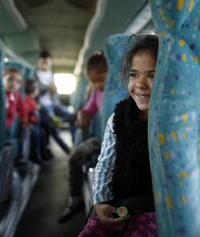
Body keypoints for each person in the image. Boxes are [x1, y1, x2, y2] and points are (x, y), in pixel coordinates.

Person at [79, 34, 158, 236]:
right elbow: (105, 163)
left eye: (152, 75)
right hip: (120, 205)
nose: (140, 83)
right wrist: (100, 201)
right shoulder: (117, 119)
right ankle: (74, 199)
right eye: (133, 74)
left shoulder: (177, 123)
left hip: (156, 209)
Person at [57, 51, 108, 223]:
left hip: (126, 142)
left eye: (101, 78)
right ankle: (75, 199)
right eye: (93, 81)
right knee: (74, 158)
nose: (97, 84)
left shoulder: (126, 87)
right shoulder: (96, 91)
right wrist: (82, 114)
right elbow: (88, 110)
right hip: (103, 141)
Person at [24, 79, 48, 162]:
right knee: (36, 134)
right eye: (37, 89)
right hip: (30, 123)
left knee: (43, 133)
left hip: (36, 123)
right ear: (32, 90)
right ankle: (35, 155)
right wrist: (34, 108)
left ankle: (43, 153)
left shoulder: (33, 99)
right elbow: (26, 111)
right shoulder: (27, 99)